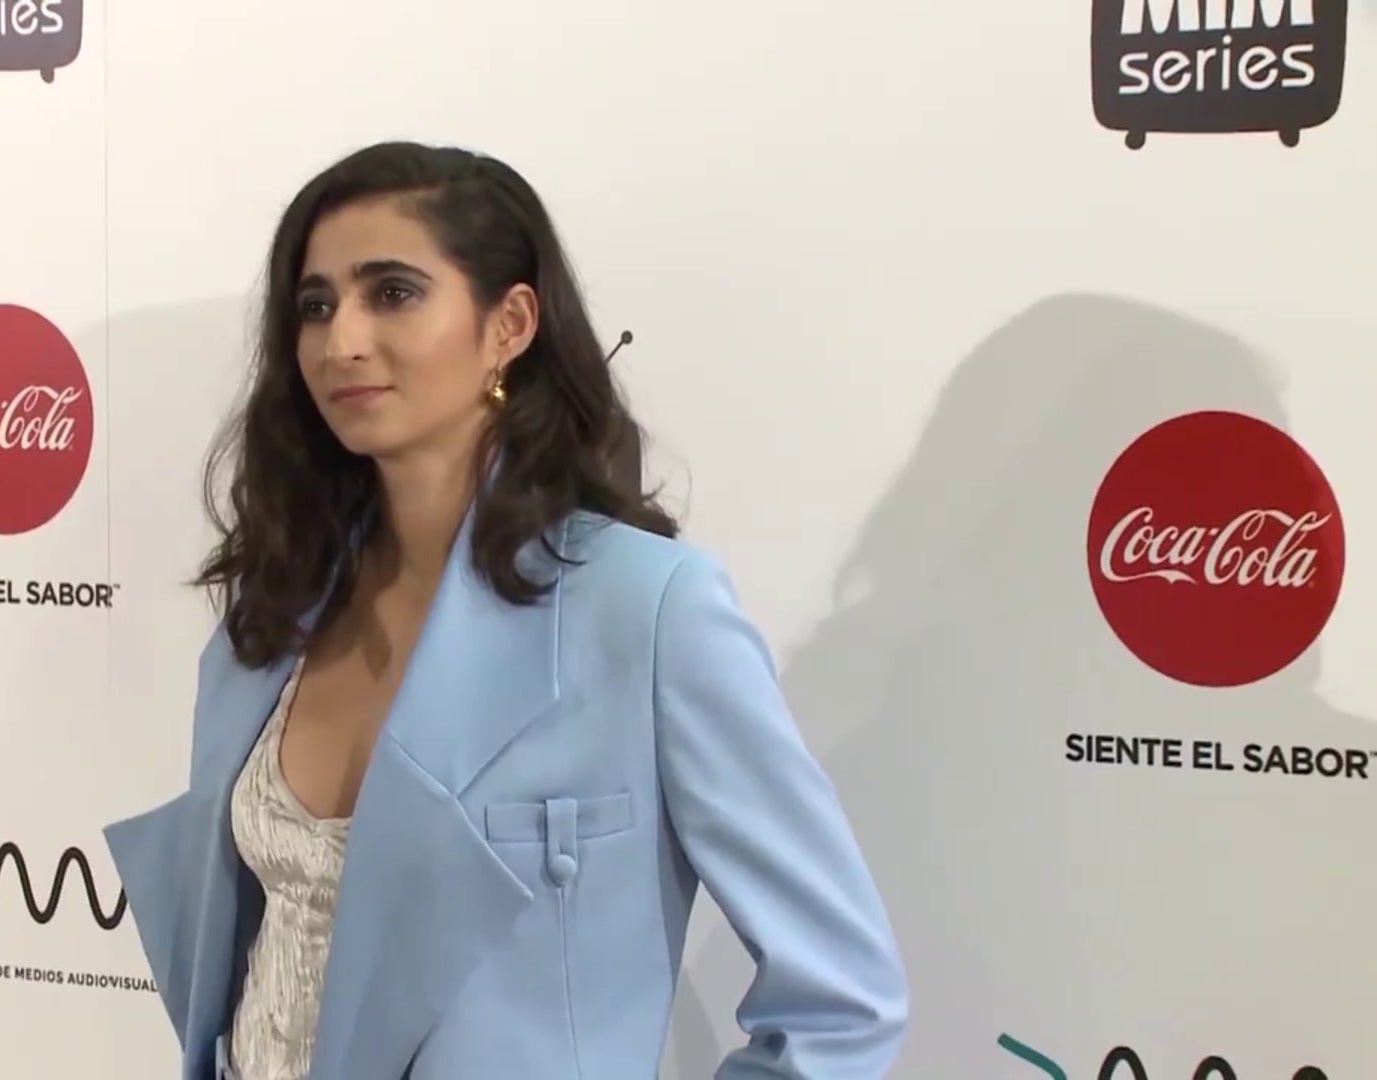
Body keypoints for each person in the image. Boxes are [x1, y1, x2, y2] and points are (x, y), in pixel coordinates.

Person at [103, 140, 908, 1080]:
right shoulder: (273, 611)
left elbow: (842, 1002)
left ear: (509, 324)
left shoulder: (647, 610)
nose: (341, 340)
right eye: (315, 305)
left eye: (392, 293)